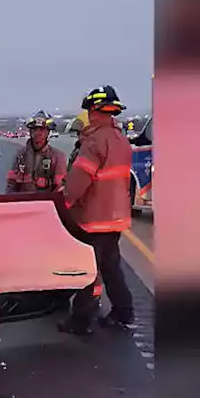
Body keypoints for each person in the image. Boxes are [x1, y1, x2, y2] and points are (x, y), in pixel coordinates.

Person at [58, 86, 137, 334]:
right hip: (117, 217)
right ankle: (124, 312)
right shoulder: (120, 140)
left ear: (93, 111)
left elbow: (79, 179)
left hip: (95, 218)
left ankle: (81, 320)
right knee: (111, 267)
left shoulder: (94, 141)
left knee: (89, 270)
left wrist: (65, 201)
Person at [6, 111, 67, 193]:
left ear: (48, 132)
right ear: (30, 132)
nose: (38, 133)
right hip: (22, 204)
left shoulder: (57, 157)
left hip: (45, 204)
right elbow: (11, 184)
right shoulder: (21, 155)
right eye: (35, 129)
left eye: (41, 130)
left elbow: (59, 189)